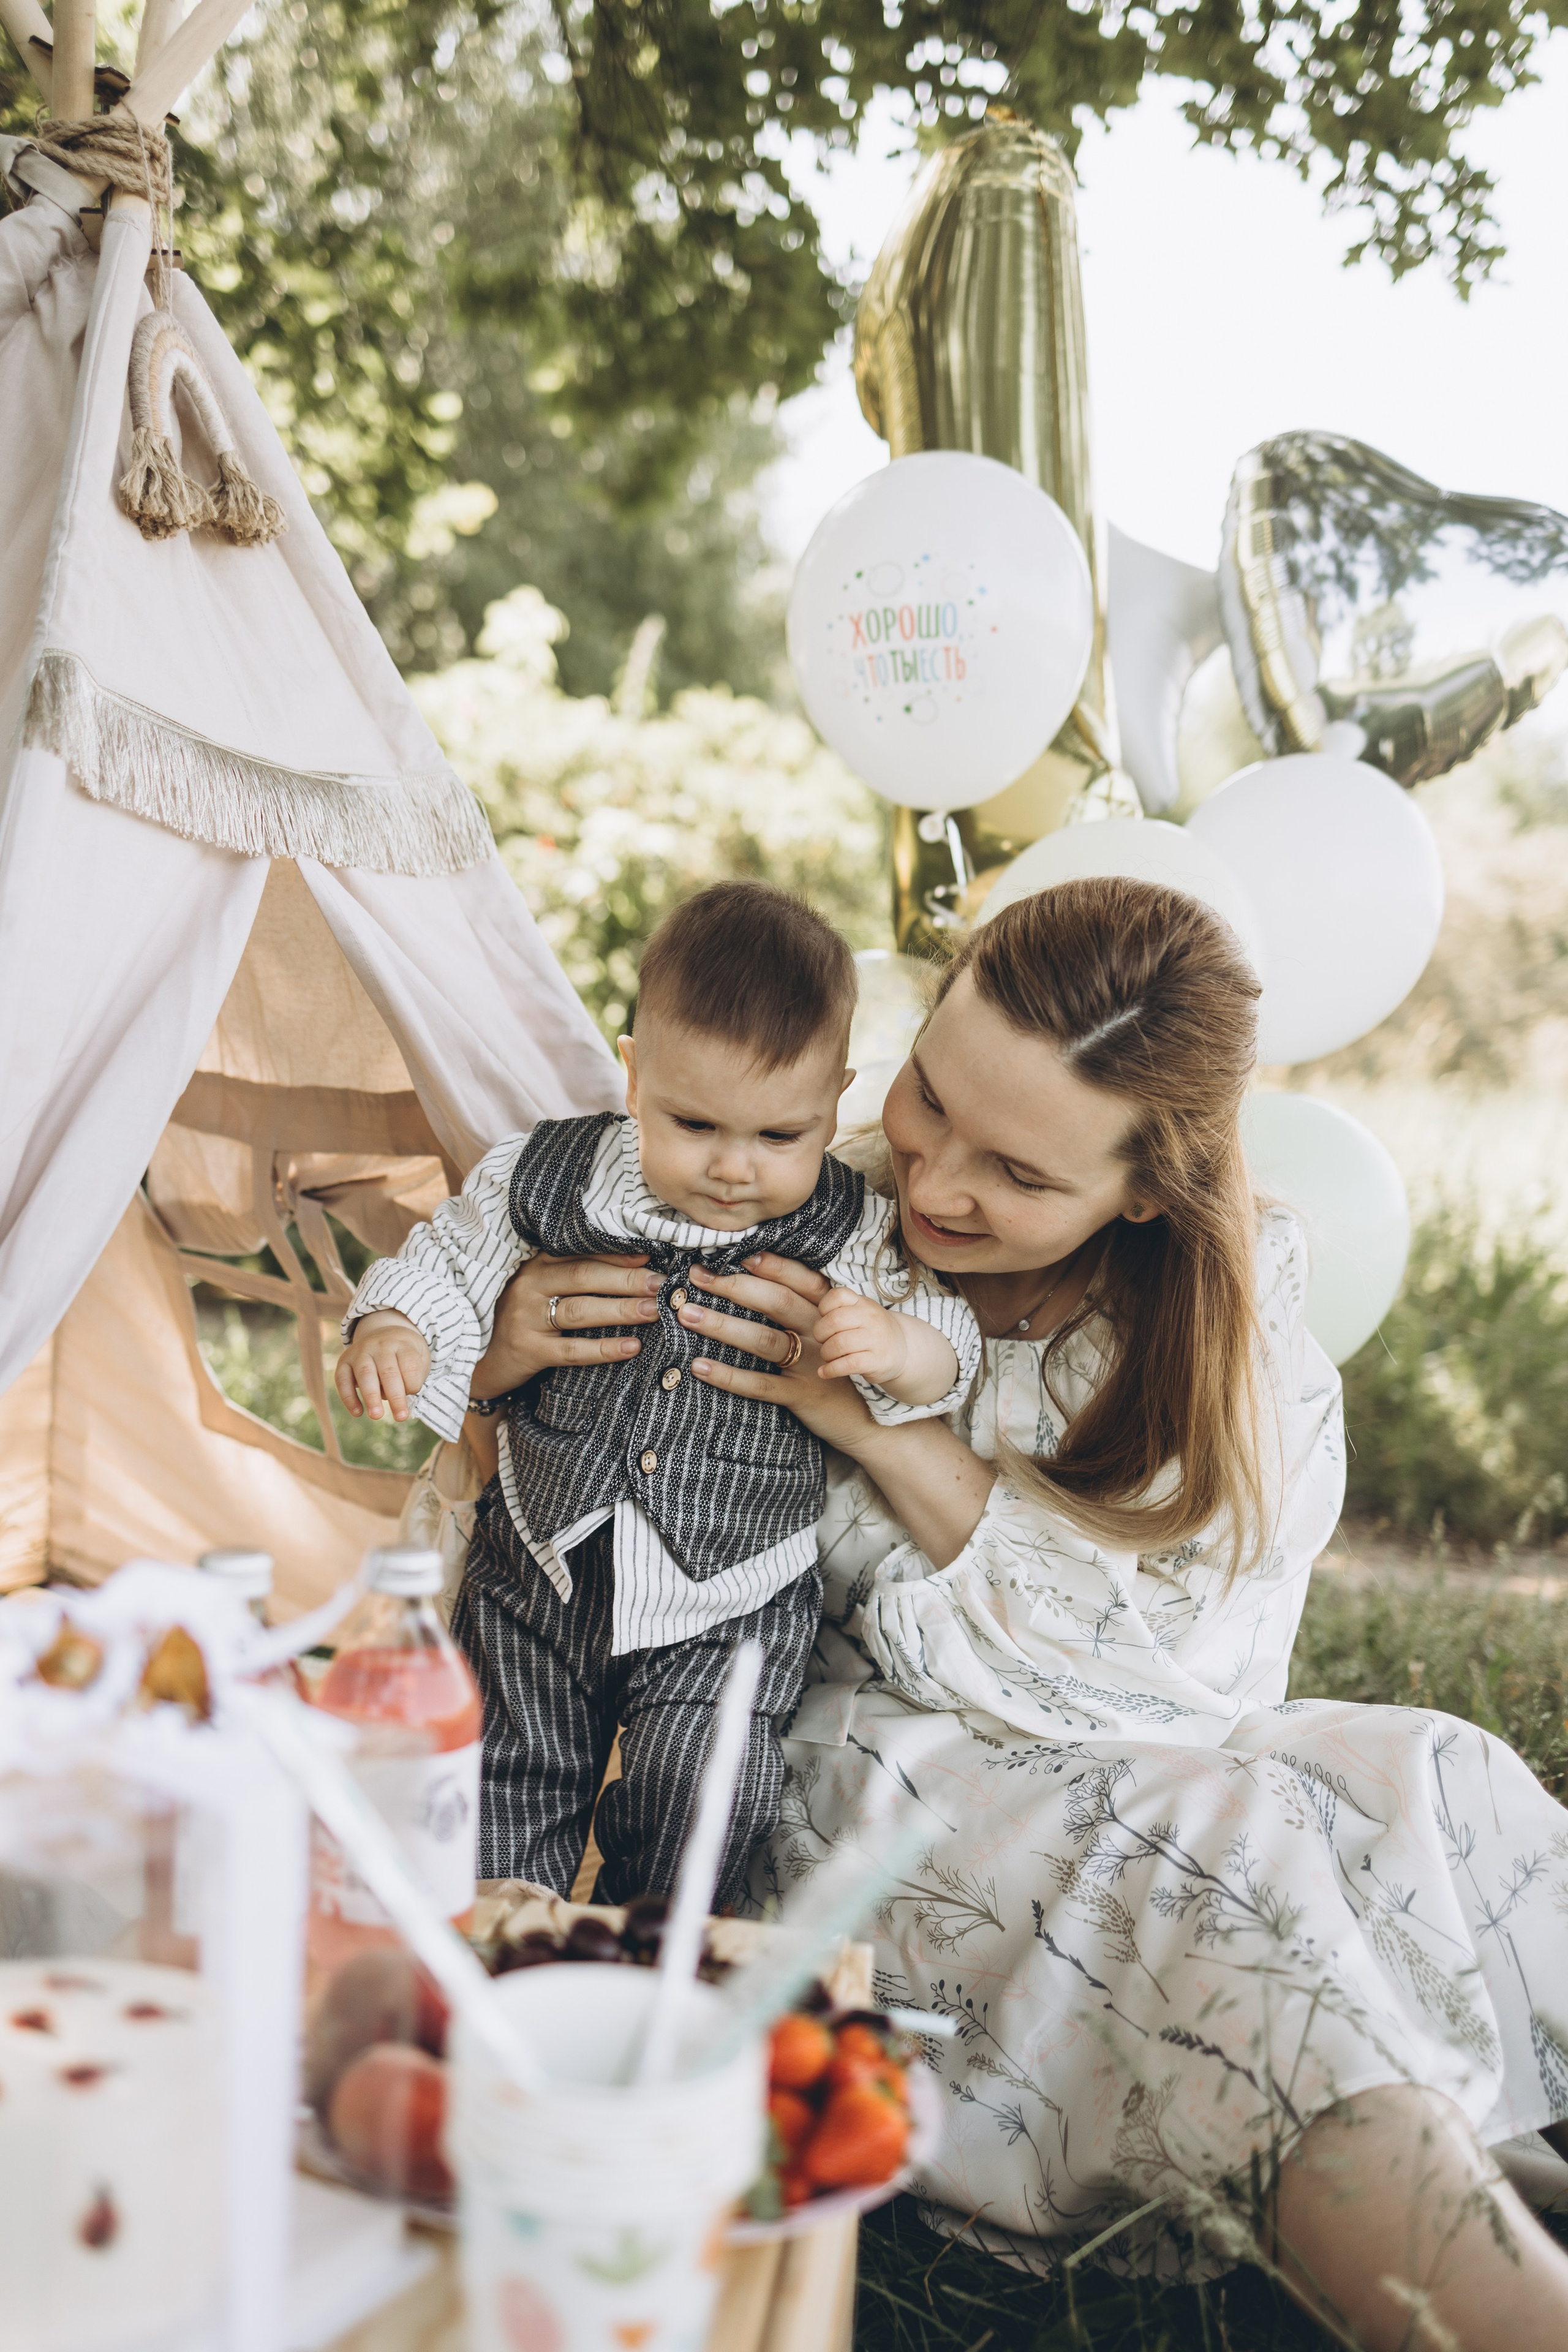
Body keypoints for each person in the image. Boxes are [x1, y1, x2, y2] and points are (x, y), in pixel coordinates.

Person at [466, 878, 1568, 2352]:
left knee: (1426, 1781)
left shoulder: (1214, 1326)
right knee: (1205, 1862)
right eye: (928, 1097)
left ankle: (1437, 2151)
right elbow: (558, 1529)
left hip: (1126, 1724)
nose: (932, 1187)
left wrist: (867, 1429)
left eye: (1018, 1175)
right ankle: (1483, 2288)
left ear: (1142, 1190)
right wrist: (498, 1359)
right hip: (837, 1759)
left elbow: (1164, 1686)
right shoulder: (788, 1201)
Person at [335, 881, 979, 1905]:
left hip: (732, 1587)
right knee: (508, 1774)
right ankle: (509, 1955)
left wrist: (899, 1348)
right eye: (693, 1123)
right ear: (634, 1073)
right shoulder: (545, 1176)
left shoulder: (850, 1224)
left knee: (702, 1790)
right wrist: (397, 1326)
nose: (733, 1168)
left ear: (837, 1099)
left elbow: (949, 1335)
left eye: (780, 1137)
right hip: (540, 1561)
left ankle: (647, 1964)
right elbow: (450, 1260)